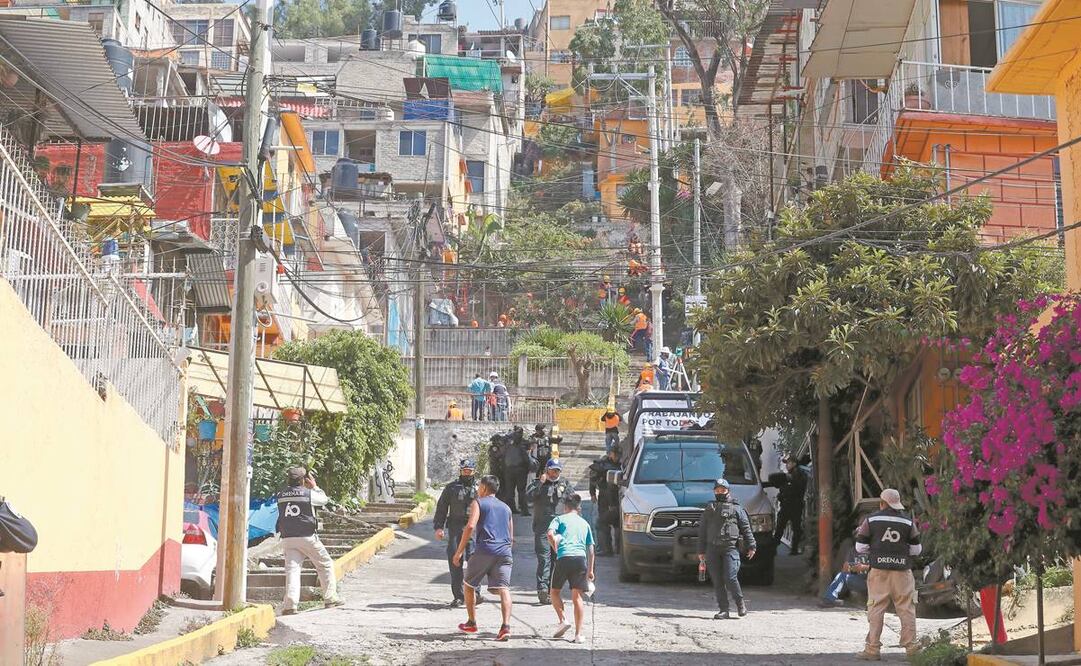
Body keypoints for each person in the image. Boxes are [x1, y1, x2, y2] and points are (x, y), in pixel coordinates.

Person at [855, 488, 921, 660]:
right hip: (902, 572)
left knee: (876, 607)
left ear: (882, 503)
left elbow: (860, 547)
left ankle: (872, 649)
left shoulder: (870, 520)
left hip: (878, 571)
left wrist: (876, 551)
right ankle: (911, 648)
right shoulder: (908, 522)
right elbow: (916, 549)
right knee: (906, 608)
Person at [454, 475, 513, 642]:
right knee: (504, 589)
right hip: (504, 551)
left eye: (479, 486)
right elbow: (510, 535)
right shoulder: (506, 508)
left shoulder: (478, 503)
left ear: (485, 488)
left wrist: (459, 552)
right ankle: (505, 627)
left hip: (485, 549)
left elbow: (471, 526)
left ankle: (472, 622)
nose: (478, 489)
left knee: (468, 584)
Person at [276, 466, 342, 615]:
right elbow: (324, 500)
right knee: (325, 564)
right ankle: (330, 597)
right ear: (303, 480)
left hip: (287, 537)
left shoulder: (280, 494)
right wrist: (315, 486)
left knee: (292, 570)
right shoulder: (309, 494)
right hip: (307, 536)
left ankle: (290, 605)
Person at [697, 478, 756, 620]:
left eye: (722, 490)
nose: (720, 492)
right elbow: (702, 530)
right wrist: (701, 551)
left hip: (730, 548)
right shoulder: (710, 509)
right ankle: (724, 609)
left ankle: (740, 604)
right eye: (717, 490)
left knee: (730, 577)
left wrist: (752, 545)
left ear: (728, 491)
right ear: (714, 492)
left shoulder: (737, 508)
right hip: (712, 549)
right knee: (717, 581)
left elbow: (746, 528)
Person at [434, 459, 484, 608]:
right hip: (455, 527)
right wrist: (439, 527)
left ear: (474, 472)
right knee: (455, 561)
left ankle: (475, 593)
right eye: (465, 471)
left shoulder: (480, 488)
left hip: (474, 528)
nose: (467, 473)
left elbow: (488, 508)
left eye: (470, 471)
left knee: (474, 561)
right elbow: (442, 508)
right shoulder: (451, 488)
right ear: (460, 471)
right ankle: (459, 596)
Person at [547, 494, 595, 644]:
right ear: (579, 507)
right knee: (577, 597)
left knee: (554, 592)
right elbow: (591, 549)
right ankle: (578, 634)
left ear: (565, 507)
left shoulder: (559, 519)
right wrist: (591, 571)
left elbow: (549, 534)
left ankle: (563, 620)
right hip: (580, 560)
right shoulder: (584, 523)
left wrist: (555, 547)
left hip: (563, 558)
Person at [527, 459, 577, 604]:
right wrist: (541, 484)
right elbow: (529, 498)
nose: (555, 473)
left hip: (560, 529)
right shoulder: (538, 483)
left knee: (558, 560)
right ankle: (542, 589)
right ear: (546, 470)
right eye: (552, 470)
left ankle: (551, 590)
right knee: (544, 558)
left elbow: (573, 502)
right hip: (543, 527)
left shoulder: (565, 484)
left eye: (557, 470)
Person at [588, 447, 622, 556]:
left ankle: (616, 549)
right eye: (615, 455)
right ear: (611, 453)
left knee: (616, 524)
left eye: (618, 455)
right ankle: (606, 549)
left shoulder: (622, 465)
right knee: (603, 523)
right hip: (605, 498)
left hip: (618, 498)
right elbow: (592, 479)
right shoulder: (602, 465)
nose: (617, 457)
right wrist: (592, 493)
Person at [773, 456, 808, 555]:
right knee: (782, 527)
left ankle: (793, 549)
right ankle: (791, 549)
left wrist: (783, 493)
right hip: (789, 504)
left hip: (793, 505)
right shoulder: (791, 474)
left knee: (787, 527)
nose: (787, 465)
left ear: (794, 463)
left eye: (788, 463)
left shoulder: (798, 474)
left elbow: (794, 488)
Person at [820, 543, 870, 607]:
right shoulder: (853, 550)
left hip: (873, 581)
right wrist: (850, 567)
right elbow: (846, 567)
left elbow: (880, 568)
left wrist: (864, 567)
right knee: (842, 575)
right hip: (859, 580)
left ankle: (872, 605)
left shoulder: (875, 550)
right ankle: (829, 599)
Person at [501, 426, 531, 515]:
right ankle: (524, 510)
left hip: (509, 470)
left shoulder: (508, 443)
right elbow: (526, 458)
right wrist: (528, 467)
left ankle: (512, 509)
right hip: (520, 470)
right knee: (521, 490)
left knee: (510, 491)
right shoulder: (522, 443)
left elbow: (503, 456)